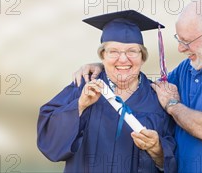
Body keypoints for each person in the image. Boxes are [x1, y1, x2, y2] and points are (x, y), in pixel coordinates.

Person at [73, 0, 202, 172]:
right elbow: (148, 87)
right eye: (178, 39)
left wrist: (172, 105)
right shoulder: (188, 68)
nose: (180, 48)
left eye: (187, 41)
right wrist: (111, 64)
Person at [37, 10, 176, 172]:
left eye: (132, 51)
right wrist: (80, 106)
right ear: (103, 56)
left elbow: (177, 157)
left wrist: (158, 150)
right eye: (114, 52)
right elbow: (49, 142)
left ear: (142, 57)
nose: (123, 59)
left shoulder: (157, 99)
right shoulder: (83, 86)